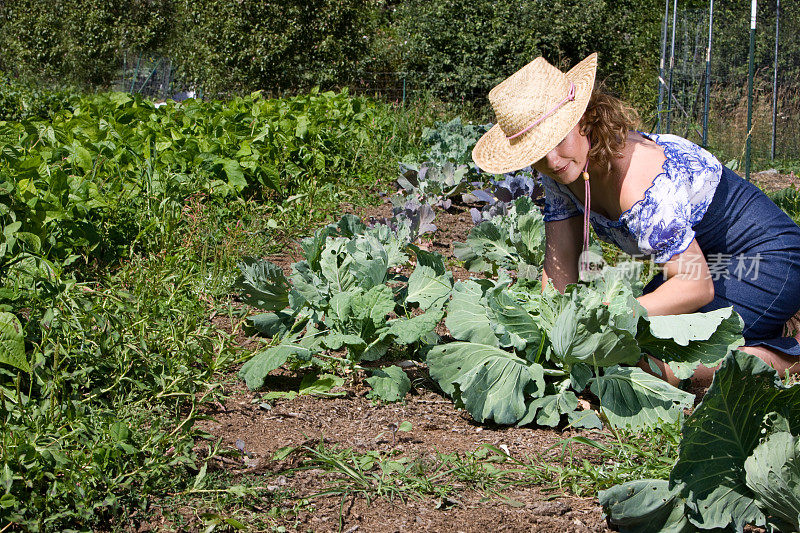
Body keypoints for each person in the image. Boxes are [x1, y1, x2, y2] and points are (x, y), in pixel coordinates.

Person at [471, 52, 800, 385]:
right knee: (628, 350)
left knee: (660, 369)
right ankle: (769, 320)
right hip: (702, 265)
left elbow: (695, 285)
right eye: (537, 153)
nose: (553, 160)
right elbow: (560, 268)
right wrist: (553, 329)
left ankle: (789, 356)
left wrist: (607, 315)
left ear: (584, 120)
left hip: (764, 259)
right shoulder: (563, 173)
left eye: (558, 140)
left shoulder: (640, 179)